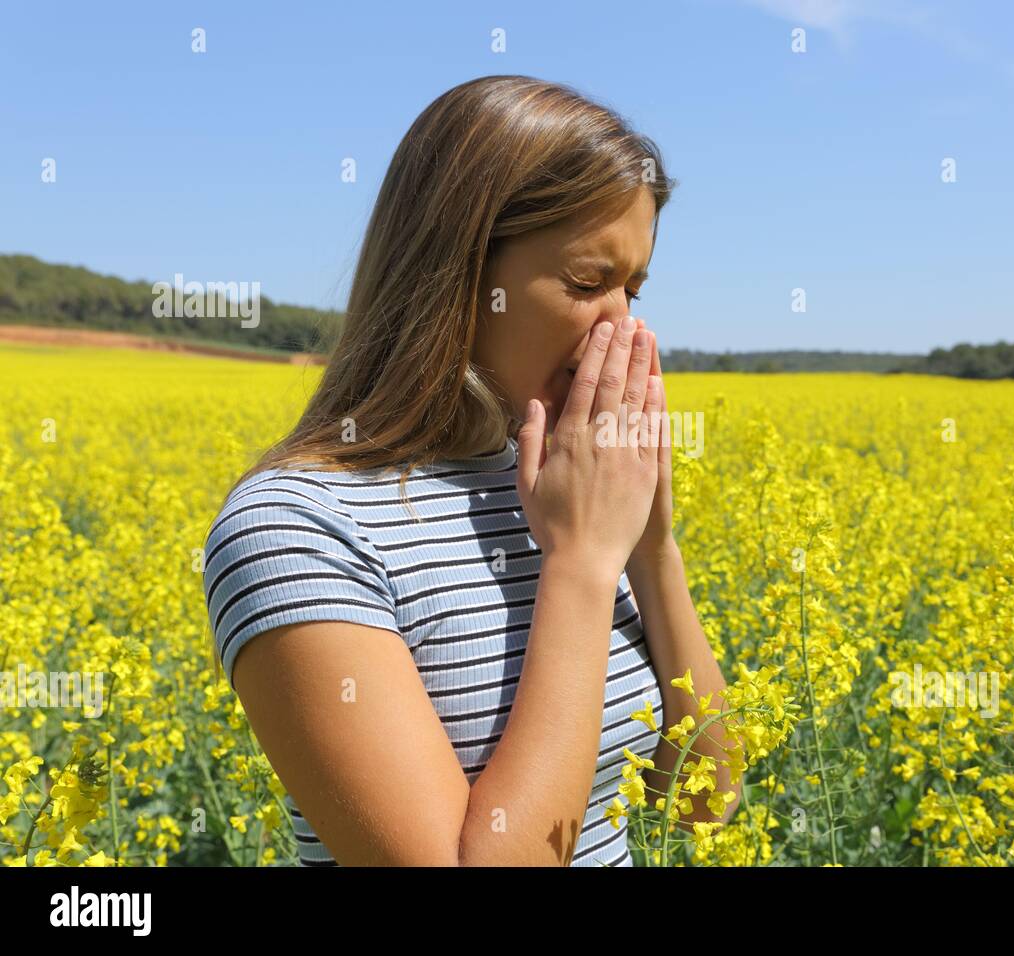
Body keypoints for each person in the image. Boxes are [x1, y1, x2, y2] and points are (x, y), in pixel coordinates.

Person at [202, 75, 738, 866]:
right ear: (459, 277)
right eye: (588, 283)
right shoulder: (297, 528)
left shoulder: (569, 490)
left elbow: (703, 804)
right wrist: (584, 564)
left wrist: (651, 548)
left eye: (634, 288)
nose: (622, 327)